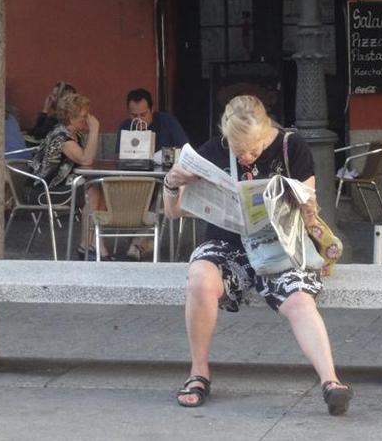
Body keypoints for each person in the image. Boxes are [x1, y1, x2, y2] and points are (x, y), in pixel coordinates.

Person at [163, 95, 353, 415]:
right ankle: (198, 374)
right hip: (228, 244)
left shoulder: (292, 147)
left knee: (299, 300)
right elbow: (173, 212)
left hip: (278, 243)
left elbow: (310, 209)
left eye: (254, 148)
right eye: (240, 151)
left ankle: (331, 383)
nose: (248, 157)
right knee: (199, 279)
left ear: (267, 130)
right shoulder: (211, 152)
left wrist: (305, 206)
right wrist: (171, 183)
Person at [30, 92, 112, 261]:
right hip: (45, 190)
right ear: (70, 117)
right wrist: (95, 129)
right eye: (83, 116)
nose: (87, 119)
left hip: (62, 185)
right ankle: (91, 244)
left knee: (99, 189)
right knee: (93, 191)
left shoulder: (75, 134)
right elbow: (87, 159)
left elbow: (86, 163)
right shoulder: (62, 137)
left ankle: (90, 244)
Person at [116, 88, 189, 260]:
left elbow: (185, 149)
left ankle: (139, 244)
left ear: (152, 109)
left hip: (161, 183)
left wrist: (161, 155)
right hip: (132, 182)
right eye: (134, 116)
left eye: (143, 114)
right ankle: (140, 242)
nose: (139, 119)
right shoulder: (125, 127)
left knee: (156, 193)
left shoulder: (166, 122)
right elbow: (118, 157)